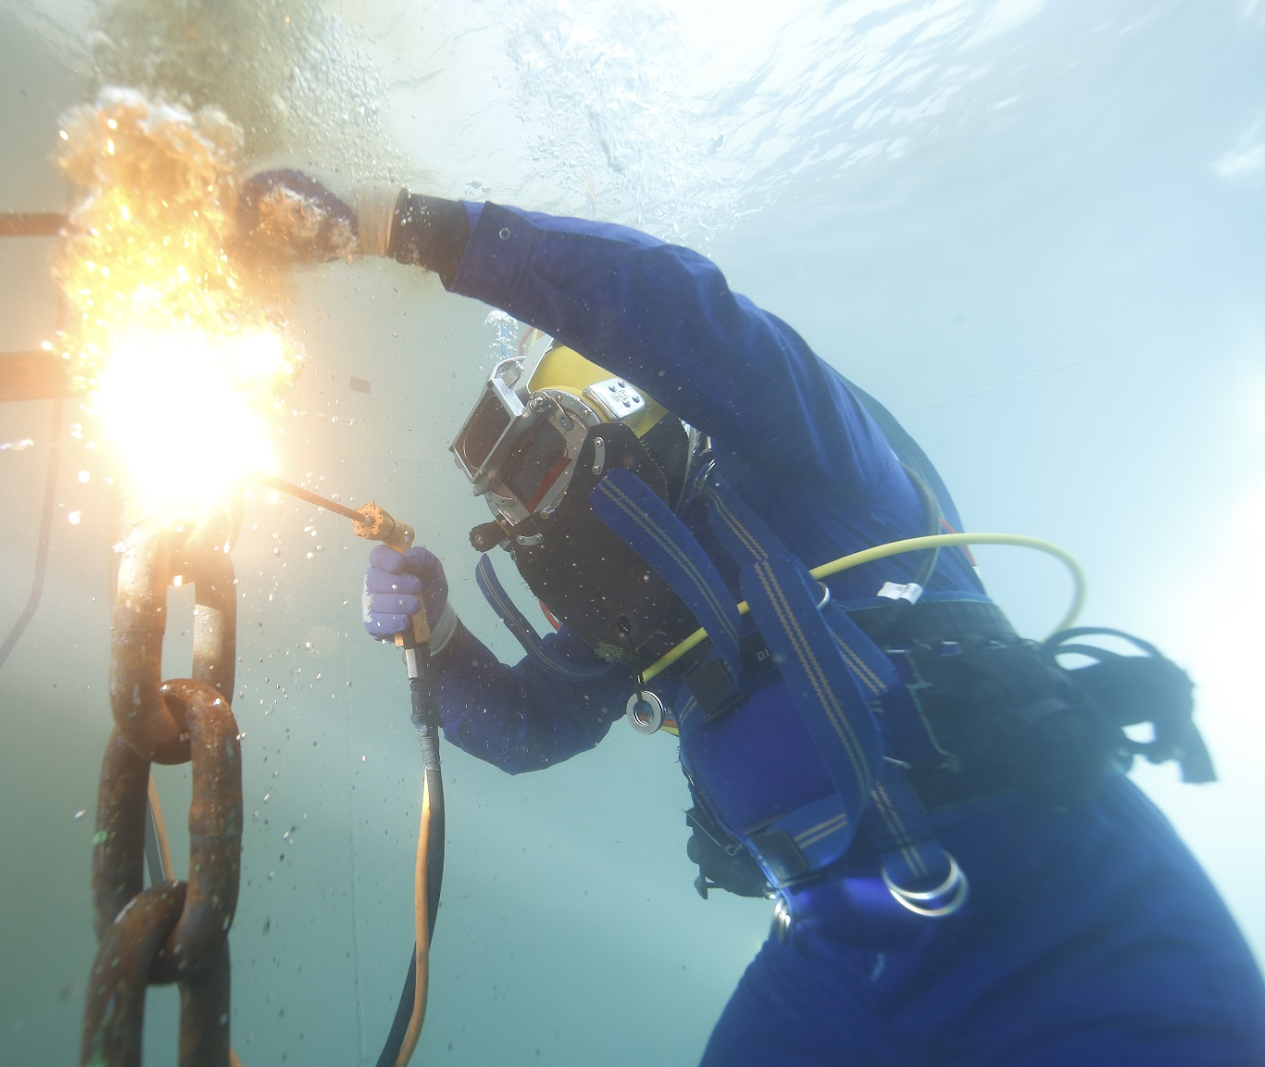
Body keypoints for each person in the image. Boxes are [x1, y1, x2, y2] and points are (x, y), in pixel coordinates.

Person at [235, 172, 1265, 1065]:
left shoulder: (811, 458)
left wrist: (406, 223)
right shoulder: (624, 612)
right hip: (831, 950)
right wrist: (442, 640)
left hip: (1057, 897)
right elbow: (525, 728)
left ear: (627, 401)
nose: (548, 480)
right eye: (525, 471)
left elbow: (674, 311)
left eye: (562, 426)